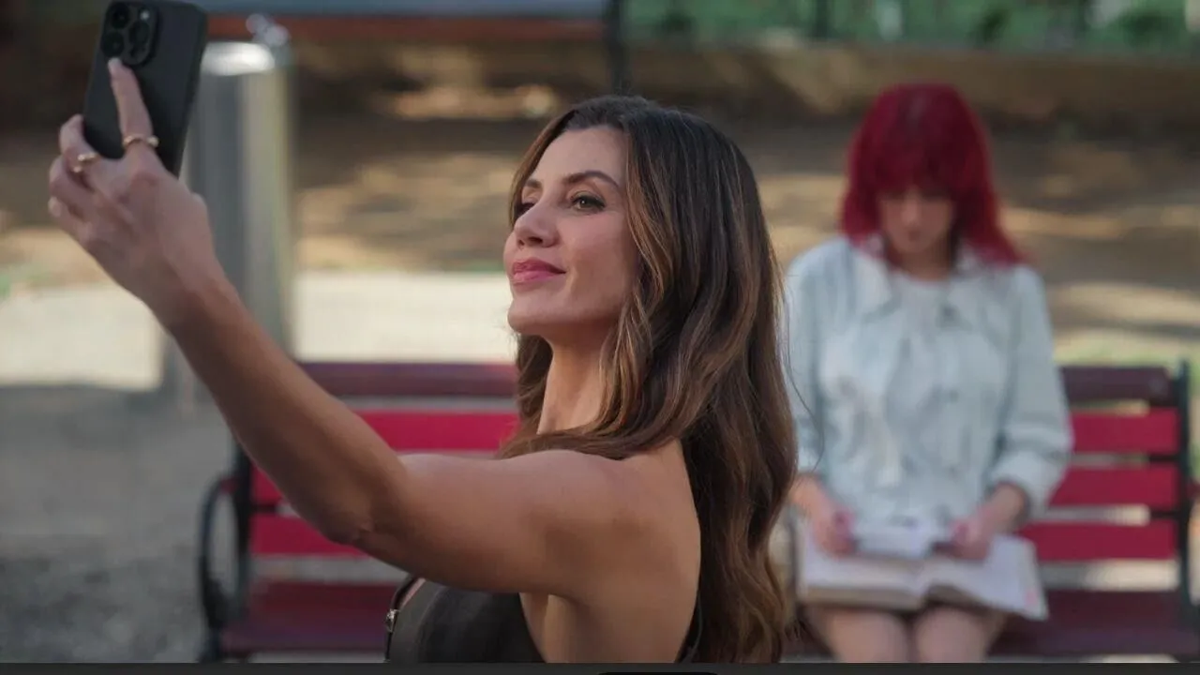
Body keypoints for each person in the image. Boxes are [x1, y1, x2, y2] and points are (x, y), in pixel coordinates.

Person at [47, 61, 798, 663]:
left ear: (681, 250)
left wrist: (189, 290)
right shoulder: (566, 463)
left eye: (584, 202)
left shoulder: (620, 499)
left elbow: (370, 503)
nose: (530, 226)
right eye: (529, 199)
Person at [781, 82, 1072, 663]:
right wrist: (817, 505)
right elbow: (783, 426)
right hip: (849, 553)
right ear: (869, 191)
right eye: (895, 195)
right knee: (881, 656)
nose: (912, 217)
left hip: (964, 555)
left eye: (932, 195)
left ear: (964, 193)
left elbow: (1038, 437)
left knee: (946, 656)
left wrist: (992, 517)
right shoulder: (818, 281)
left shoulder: (1010, 290)